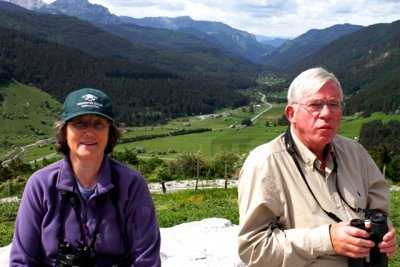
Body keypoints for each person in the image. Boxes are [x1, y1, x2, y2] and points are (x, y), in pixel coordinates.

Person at [237, 67, 397, 267]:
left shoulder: (356, 153)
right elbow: (254, 248)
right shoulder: (265, 165)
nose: (327, 113)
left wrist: (384, 232)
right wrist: (326, 240)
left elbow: (378, 210)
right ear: (291, 113)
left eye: (333, 104)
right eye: (315, 104)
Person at [10, 88, 161, 266]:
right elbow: (23, 260)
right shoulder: (41, 185)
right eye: (79, 123)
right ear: (64, 132)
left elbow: (145, 259)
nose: (89, 132)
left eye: (98, 123)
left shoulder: (131, 184)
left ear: (109, 133)